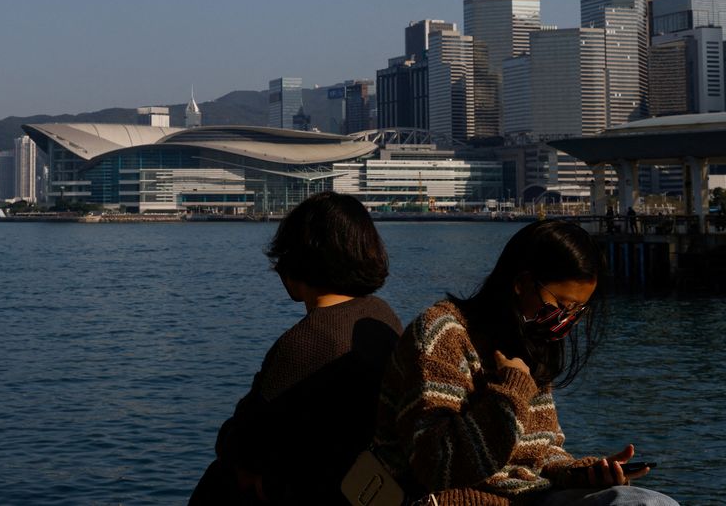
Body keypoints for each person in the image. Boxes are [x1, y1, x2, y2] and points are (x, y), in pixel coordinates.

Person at [372, 220, 678, 505]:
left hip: (526, 495)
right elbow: (436, 466)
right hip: (462, 498)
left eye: (578, 310)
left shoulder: (527, 340)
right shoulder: (442, 335)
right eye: (562, 305)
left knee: (649, 501)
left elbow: (540, 451)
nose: (567, 320)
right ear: (523, 283)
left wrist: (581, 472)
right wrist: (510, 391)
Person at [189, 191, 403, 505]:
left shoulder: (306, 341)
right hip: (366, 485)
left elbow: (240, 443)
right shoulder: (382, 315)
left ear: (296, 260)